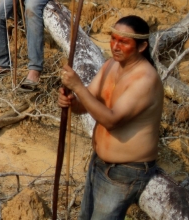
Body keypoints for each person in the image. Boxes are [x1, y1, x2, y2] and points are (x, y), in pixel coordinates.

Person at [59, 15, 163, 220]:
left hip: (126, 172)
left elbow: (111, 120)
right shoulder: (110, 66)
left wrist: (78, 86)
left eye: (123, 42)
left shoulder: (145, 80)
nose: (115, 46)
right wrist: (71, 102)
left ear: (142, 47)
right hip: (99, 163)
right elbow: (86, 105)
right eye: (113, 39)